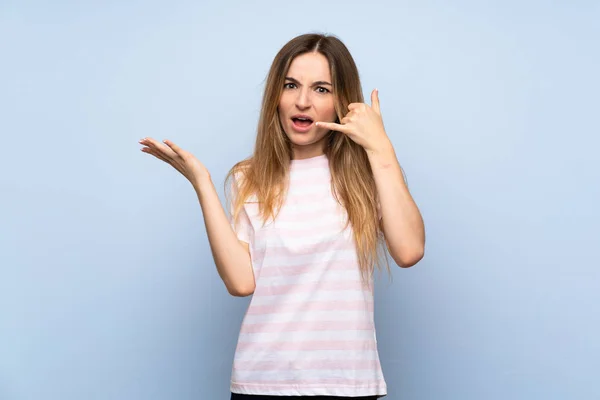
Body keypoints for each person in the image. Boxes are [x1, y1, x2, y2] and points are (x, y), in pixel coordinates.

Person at [139, 33, 425, 399]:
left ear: (342, 101)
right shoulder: (249, 178)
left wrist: (381, 146)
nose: (302, 101)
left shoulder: (368, 175)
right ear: (276, 94)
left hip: (348, 384)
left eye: (321, 89)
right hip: (261, 381)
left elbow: (409, 250)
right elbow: (242, 283)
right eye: (291, 85)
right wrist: (202, 183)